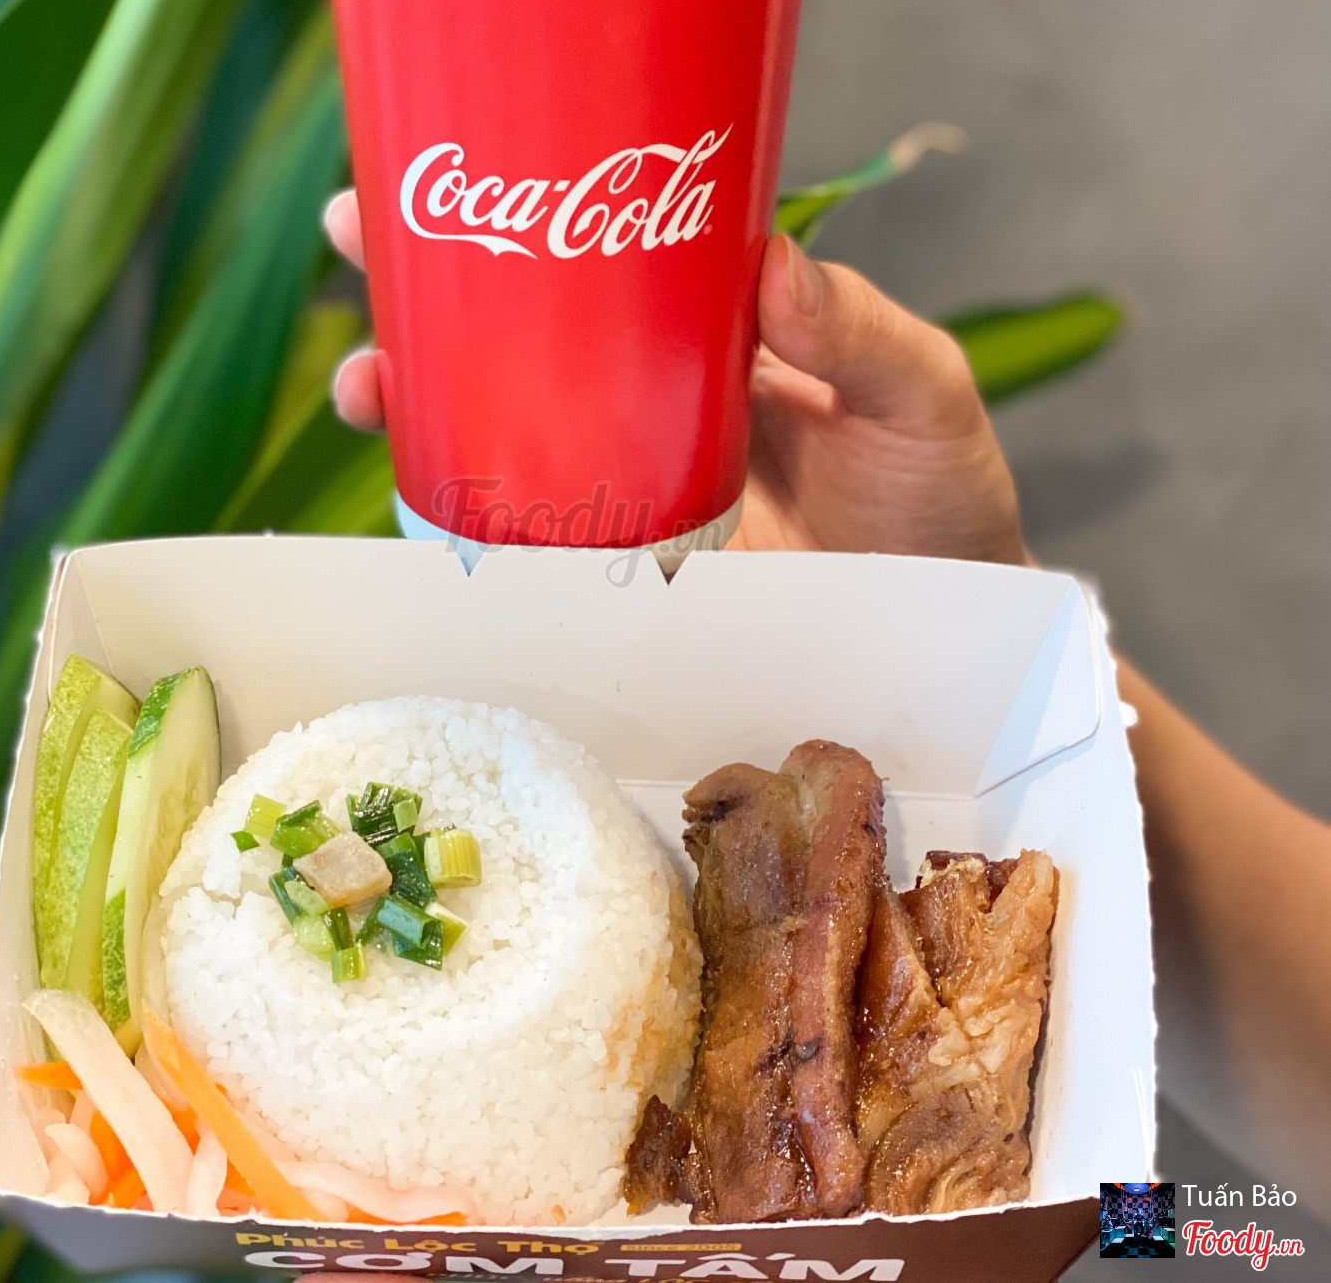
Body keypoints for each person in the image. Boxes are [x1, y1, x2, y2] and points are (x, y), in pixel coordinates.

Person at [322, 190, 1331, 1223]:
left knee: (1185, 1227)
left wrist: (1128, 1240)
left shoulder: (1137, 1219)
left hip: (1068, 1202)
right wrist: (989, 620)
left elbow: (1160, 1228)